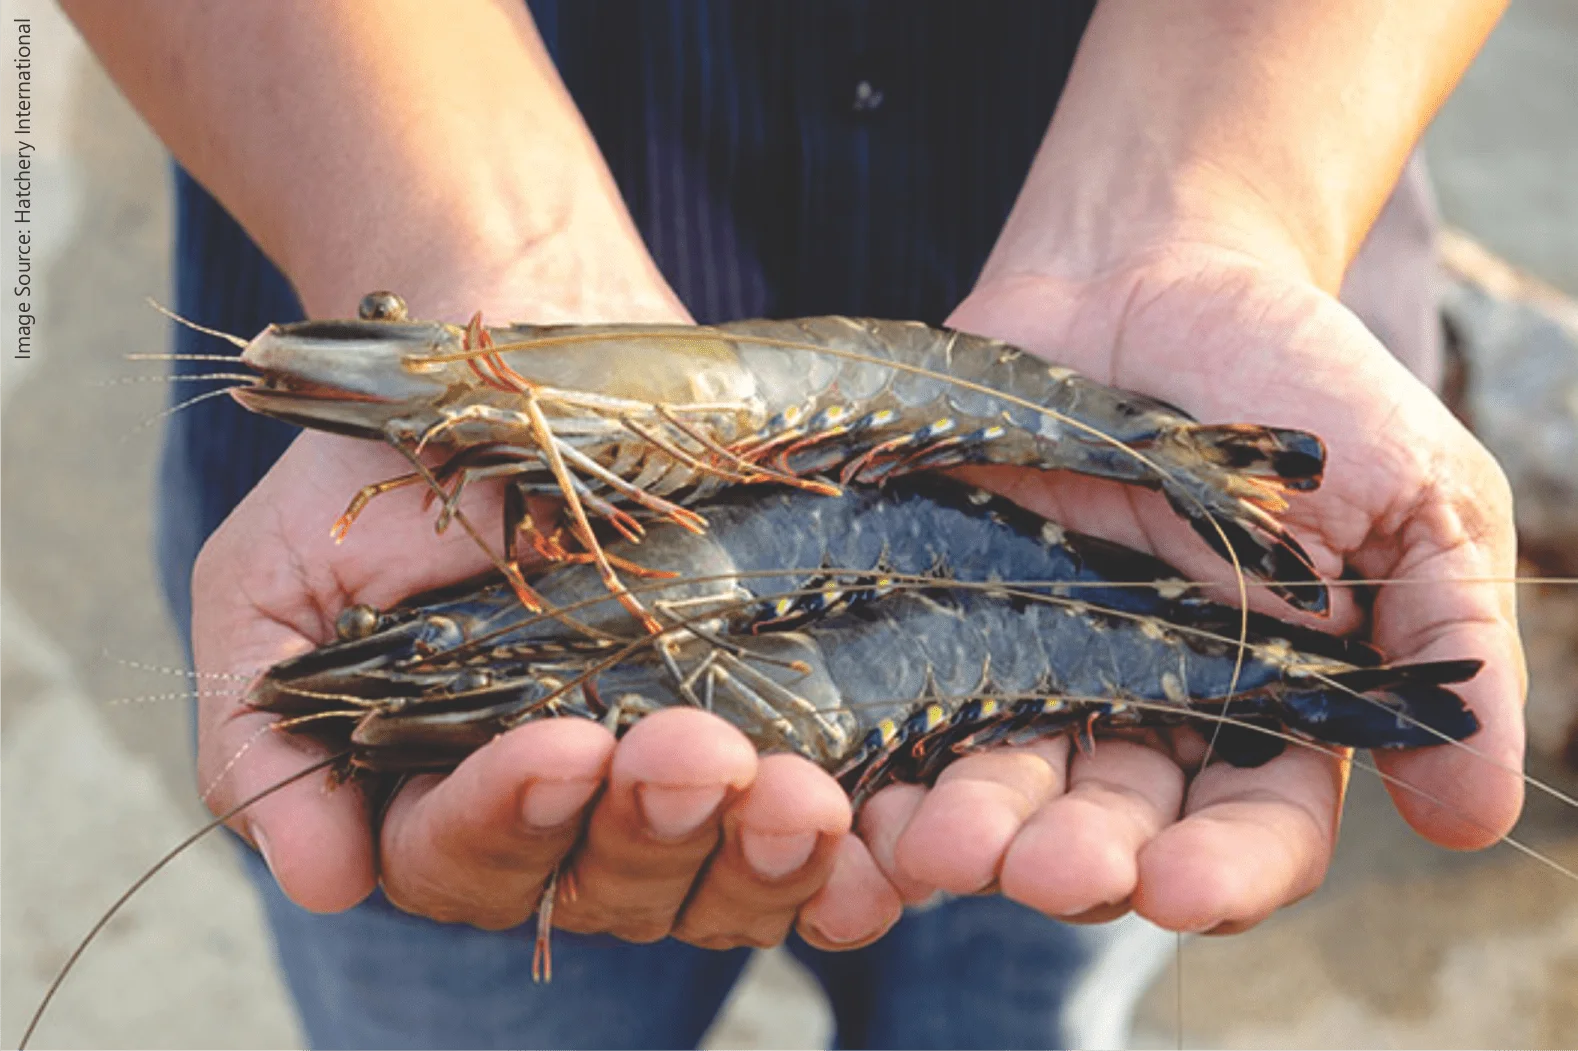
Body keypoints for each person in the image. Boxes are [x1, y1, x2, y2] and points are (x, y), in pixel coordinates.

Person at [62, 2, 1524, 1048]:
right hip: (377, 178)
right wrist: (453, 247)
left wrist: (1216, 202)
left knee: (1037, 963)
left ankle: (1269, 656)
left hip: (1147, 453)